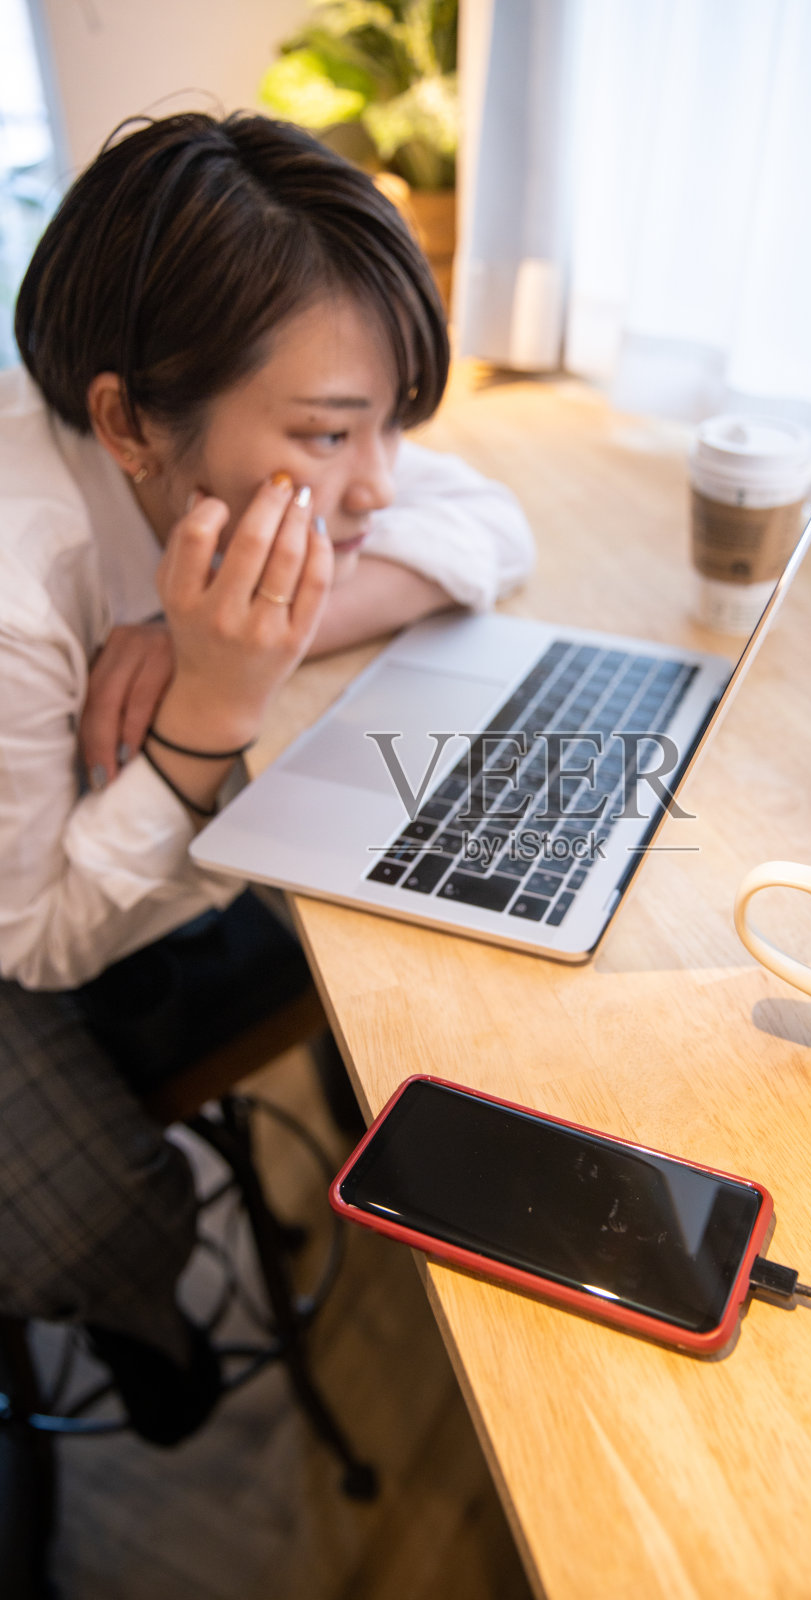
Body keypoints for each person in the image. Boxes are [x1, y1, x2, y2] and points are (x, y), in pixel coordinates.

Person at [0, 111, 534, 1442]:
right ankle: (145, 1324)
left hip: (95, 843)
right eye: (330, 437)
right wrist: (211, 706)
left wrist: (196, 636)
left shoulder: (244, 453)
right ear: (126, 419)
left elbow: (489, 520)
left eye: (391, 426)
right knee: (88, 1218)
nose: (375, 488)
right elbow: (38, 943)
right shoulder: (16, 595)